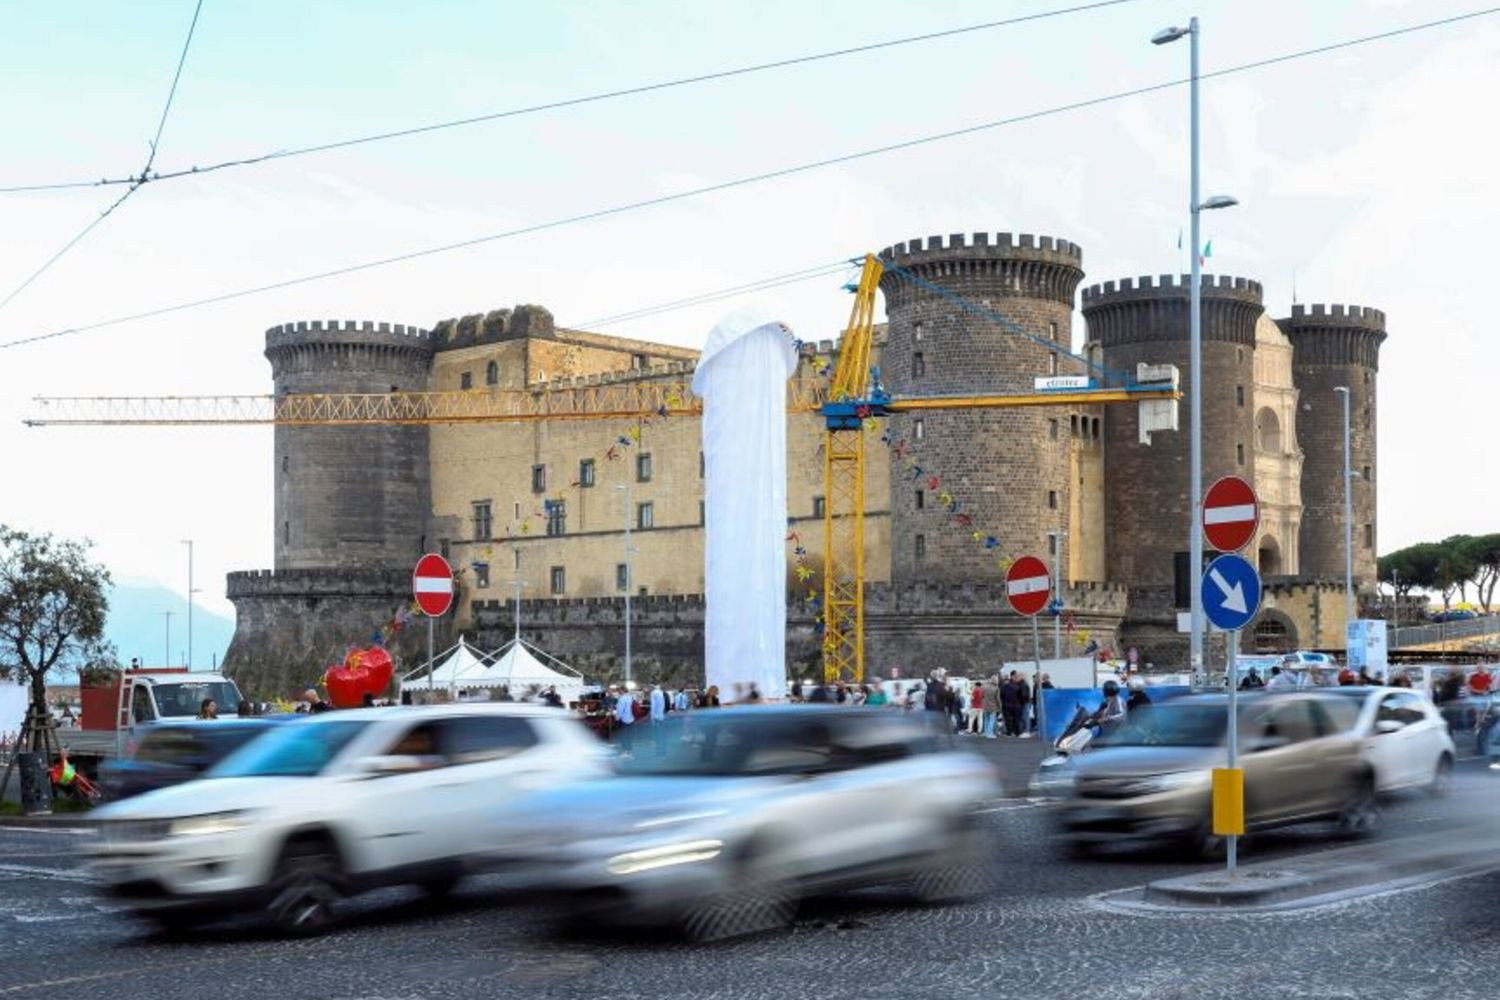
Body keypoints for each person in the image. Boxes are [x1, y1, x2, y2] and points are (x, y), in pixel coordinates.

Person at [1000, 672, 1022, 737]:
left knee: (1008, 719)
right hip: (1016, 705)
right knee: (1016, 719)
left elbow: (1002, 695)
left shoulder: (1004, 686)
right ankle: (1017, 732)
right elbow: (1020, 696)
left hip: (1007, 705)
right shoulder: (1017, 686)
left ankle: (1009, 732)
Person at [1015, 672, 1033, 738]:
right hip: (1024, 702)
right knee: (1024, 717)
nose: (1016, 678)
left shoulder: (1023, 685)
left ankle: (1026, 731)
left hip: (1023, 703)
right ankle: (1025, 731)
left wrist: (1019, 700)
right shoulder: (1023, 684)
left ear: (1021, 677)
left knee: (1025, 717)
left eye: (1018, 677)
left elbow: (1024, 695)